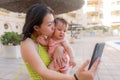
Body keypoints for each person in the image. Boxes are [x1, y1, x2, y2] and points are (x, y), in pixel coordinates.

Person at [21, 4, 100, 80]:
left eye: (53, 23)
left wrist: (60, 48)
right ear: (36, 27)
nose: (54, 27)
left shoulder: (47, 38)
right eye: (49, 24)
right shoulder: (27, 44)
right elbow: (44, 73)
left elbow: (62, 48)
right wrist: (75, 78)